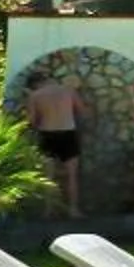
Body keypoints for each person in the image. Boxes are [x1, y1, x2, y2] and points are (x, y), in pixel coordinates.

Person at [24, 71, 88, 216]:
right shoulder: (69, 91)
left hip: (48, 134)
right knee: (72, 175)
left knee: (48, 177)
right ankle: (74, 209)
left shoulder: (35, 96)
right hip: (68, 133)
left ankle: (48, 211)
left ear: (34, 85)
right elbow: (82, 111)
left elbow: (31, 121)